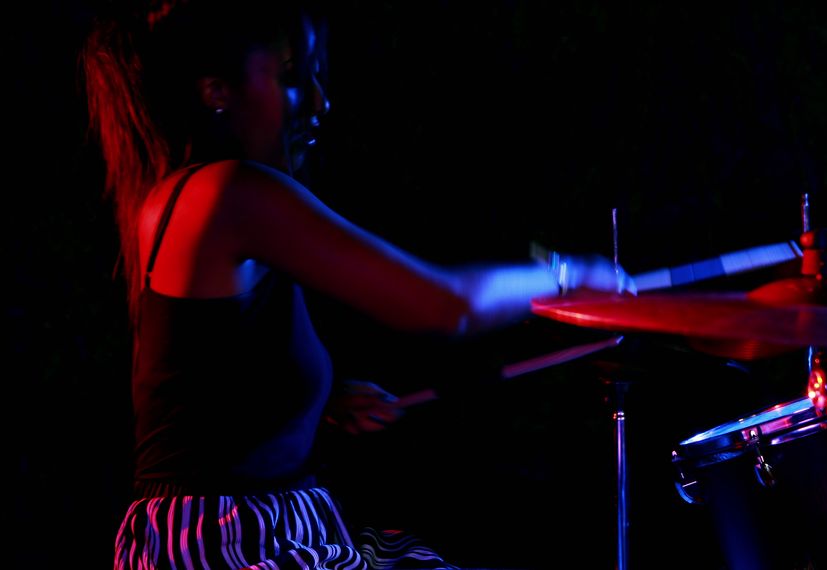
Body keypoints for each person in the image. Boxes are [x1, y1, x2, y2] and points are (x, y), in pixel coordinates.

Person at [80, 1, 635, 568]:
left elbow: (201, 389)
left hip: (260, 528)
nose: (321, 102)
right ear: (215, 90)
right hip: (230, 544)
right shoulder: (227, 193)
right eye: (294, 78)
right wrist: (571, 276)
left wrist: (314, 400)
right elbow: (446, 305)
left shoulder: (202, 196)